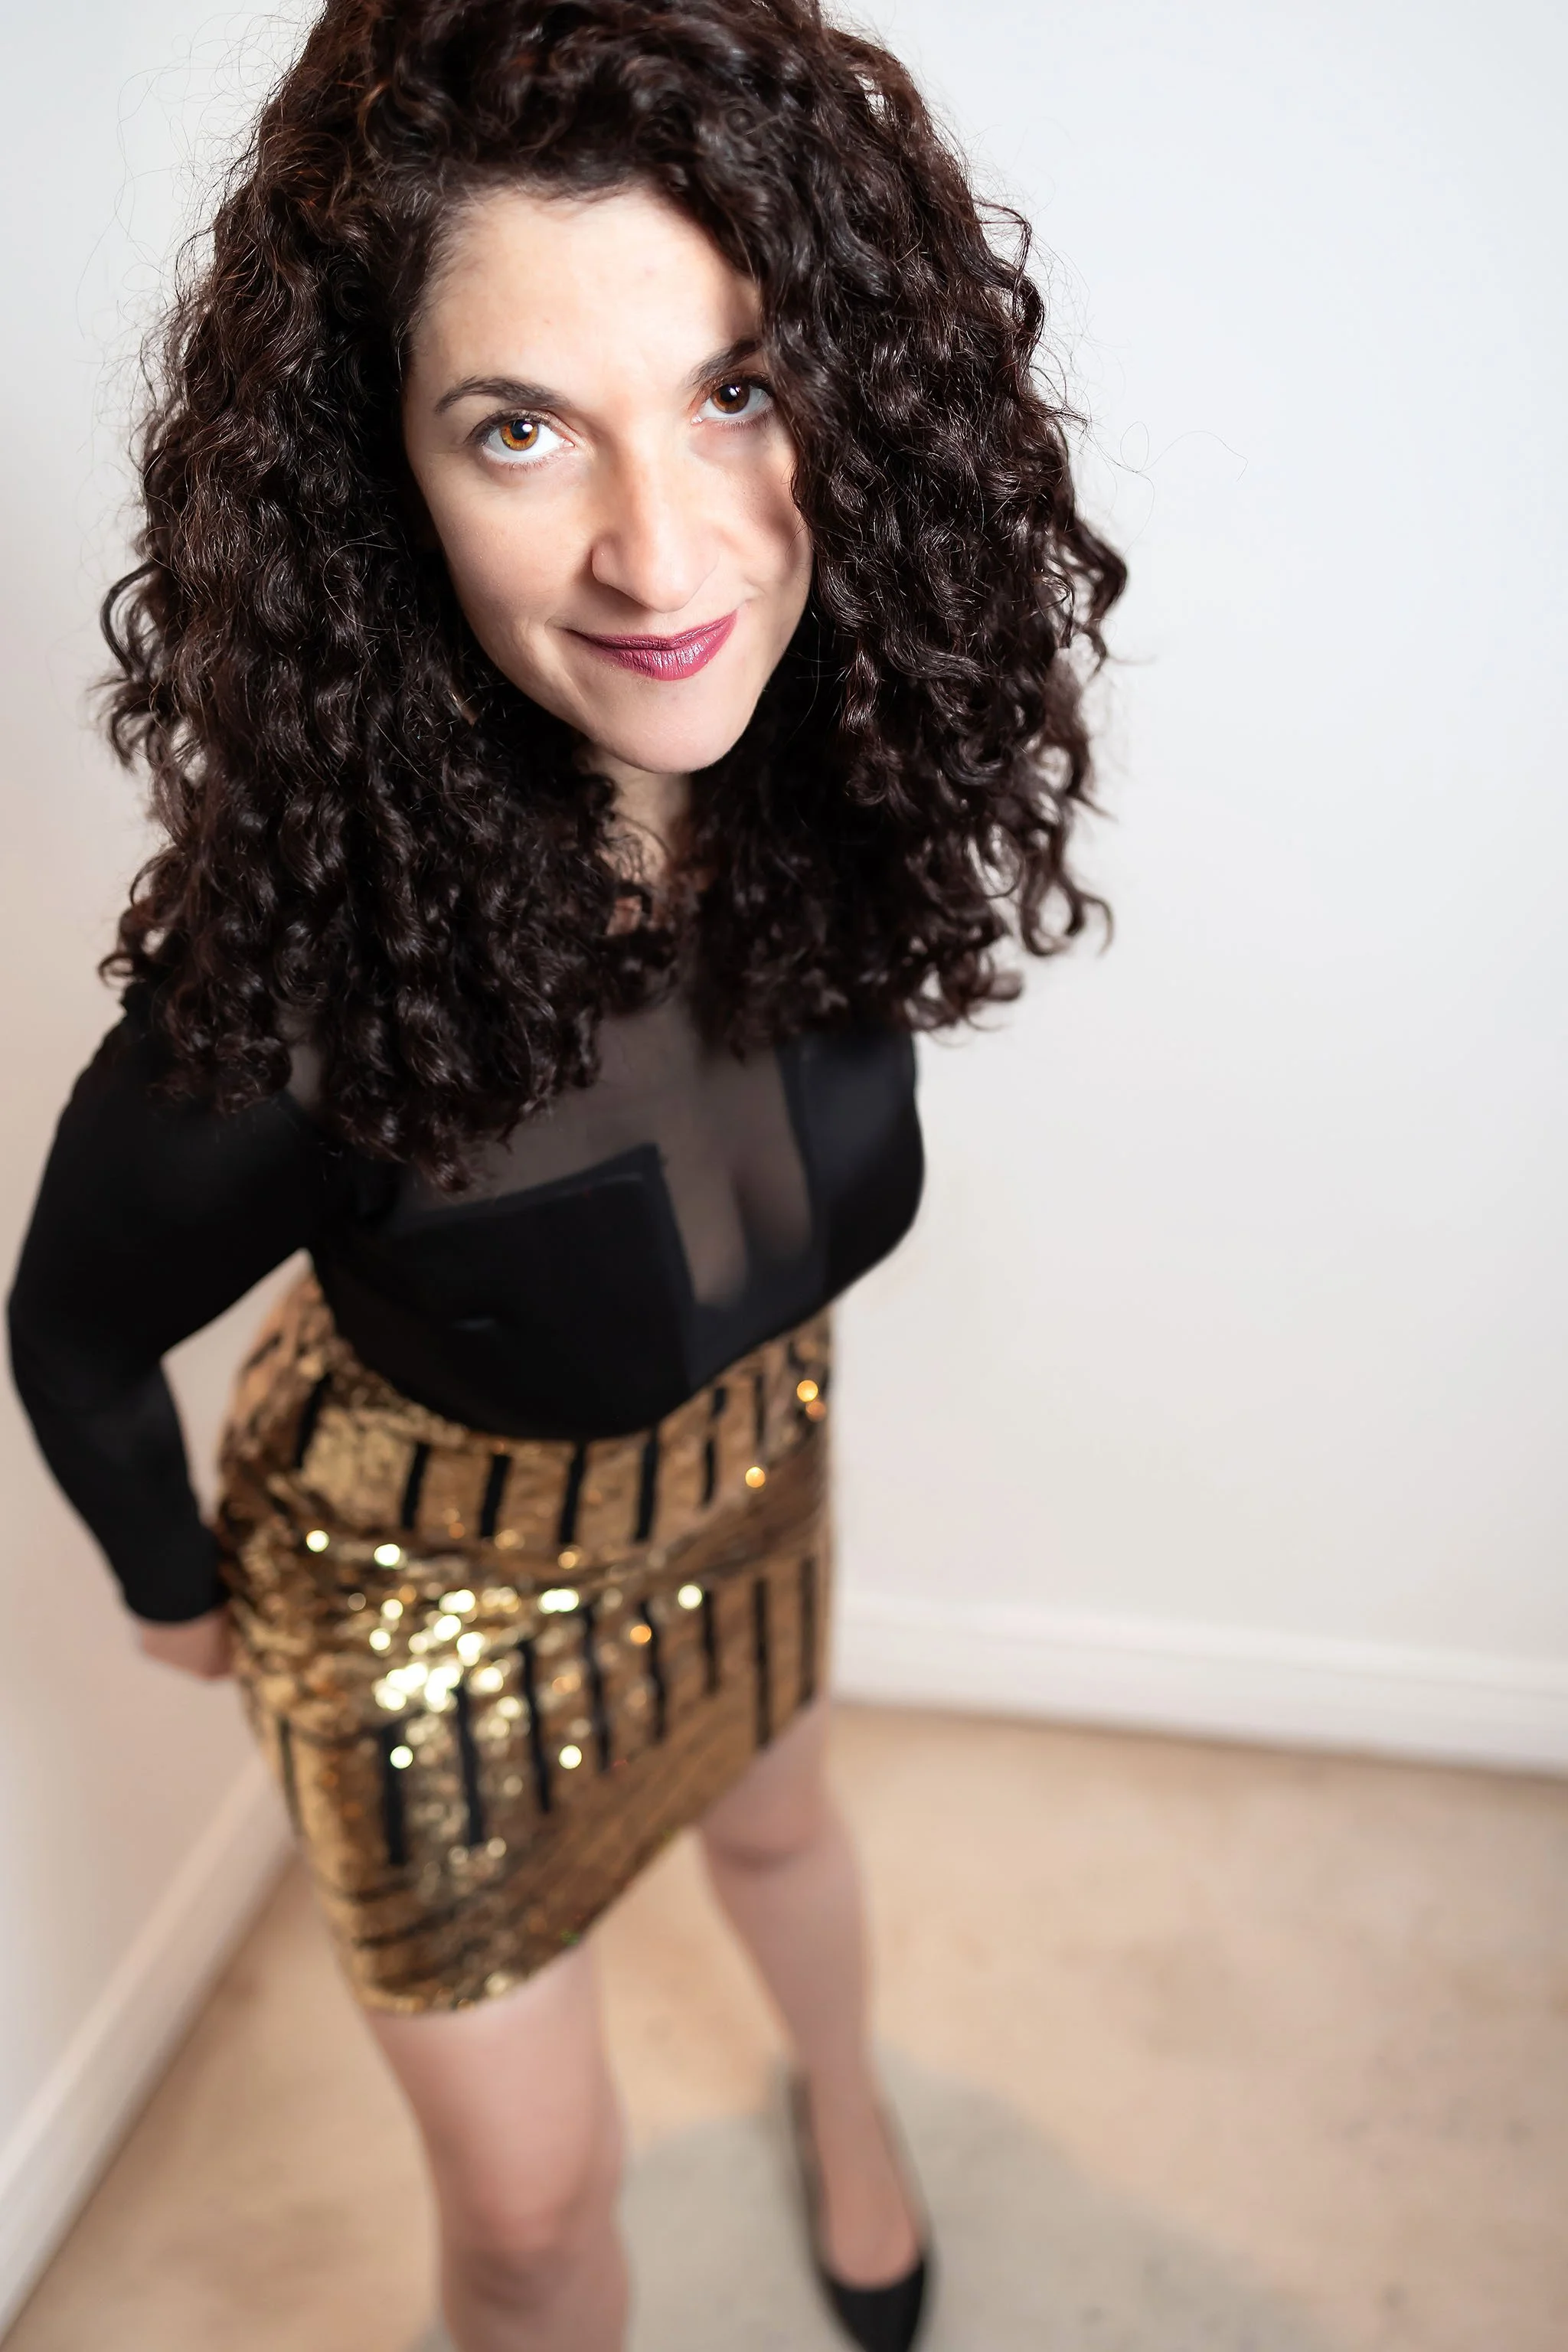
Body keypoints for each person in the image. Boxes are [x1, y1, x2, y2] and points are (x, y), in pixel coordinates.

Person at [8, 2, 1124, 2346]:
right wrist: (161, 1584)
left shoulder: (843, 770)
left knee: (792, 1825)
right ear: (379, 476)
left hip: (753, 1474)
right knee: (530, 2231)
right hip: (423, 1614)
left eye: (735, 385)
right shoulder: (303, 984)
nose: (660, 548)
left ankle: (846, 2111)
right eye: (520, 427)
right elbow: (74, 1321)